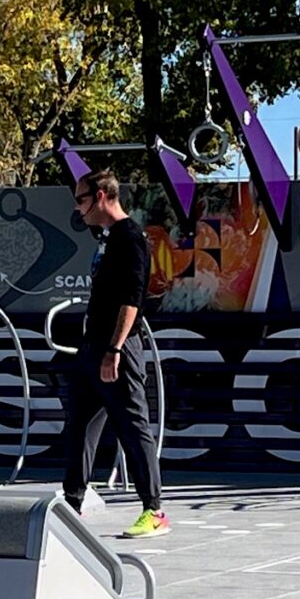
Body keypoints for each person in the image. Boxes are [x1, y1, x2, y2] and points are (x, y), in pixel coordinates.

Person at [63, 169, 169, 538]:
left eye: (81, 200)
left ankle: (154, 510)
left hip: (116, 349)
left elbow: (132, 299)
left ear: (103, 196)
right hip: (92, 347)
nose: (78, 209)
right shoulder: (107, 237)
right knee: (79, 426)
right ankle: (71, 504)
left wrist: (115, 349)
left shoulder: (130, 238)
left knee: (132, 425)